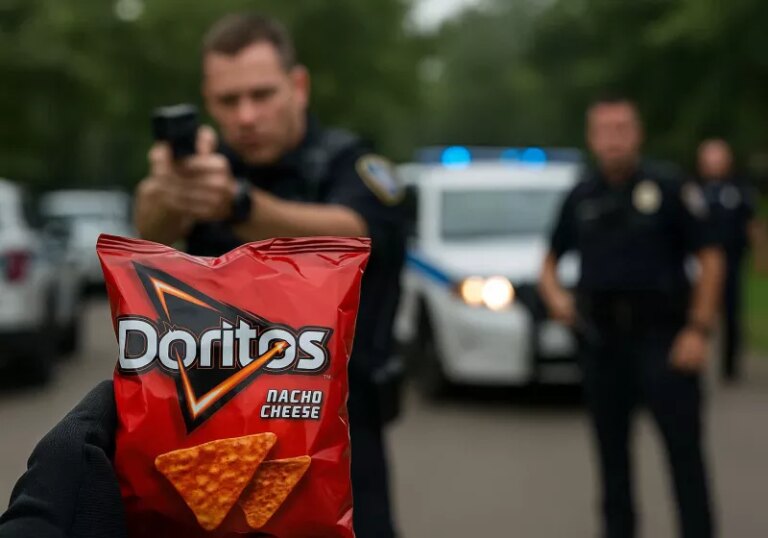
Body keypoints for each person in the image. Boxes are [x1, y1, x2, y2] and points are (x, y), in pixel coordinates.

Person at [133, 13, 404, 538]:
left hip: (341, 427)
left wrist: (240, 205)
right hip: (225, 423)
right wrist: (167, 192)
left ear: (298, 86)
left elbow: (359, 234)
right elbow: (150, 235)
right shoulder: (212, 167)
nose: (247, 116)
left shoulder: (349, 162)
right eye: (229, 102)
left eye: (262, 94)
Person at [539, 96, 723, 538]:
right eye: (604, 129)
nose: (614, 138)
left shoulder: (668, 186)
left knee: (685, 457)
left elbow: (711, 259)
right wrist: (556, 298)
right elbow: (548, 261)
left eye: (622, 128)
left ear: (637, 134)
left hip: (665, 339)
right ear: (591, 138)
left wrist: (698, 329)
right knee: (612, 464)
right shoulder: (581, 194)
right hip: (603, 344)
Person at [696, 138, 756, 382]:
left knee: (732, 314)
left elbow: (752, 223)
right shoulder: (693, 189)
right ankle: (695, 358)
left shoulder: (739, 188)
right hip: (698, 263)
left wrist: (759, 255)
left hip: (731, 259)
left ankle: (729, 367)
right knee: (697, 311)